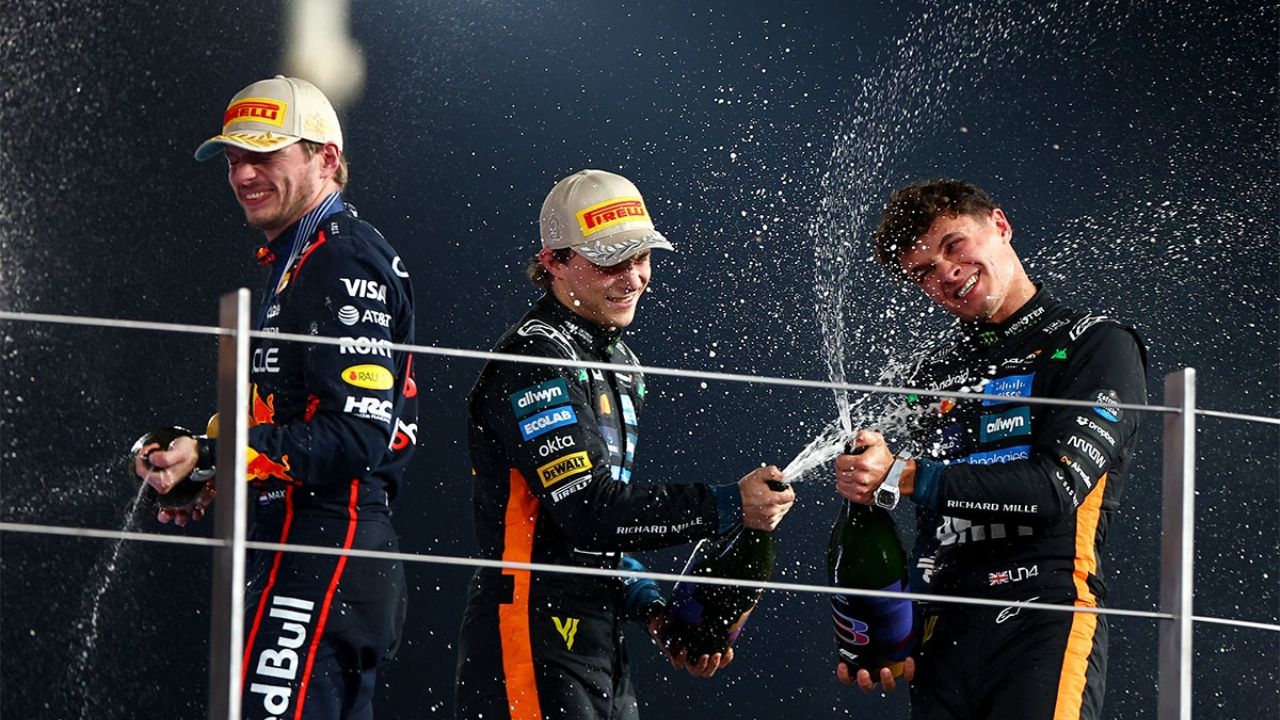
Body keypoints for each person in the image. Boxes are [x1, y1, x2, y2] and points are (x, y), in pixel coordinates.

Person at [454, 169, 796, 720]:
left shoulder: (621, 362)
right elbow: (590, 514)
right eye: (611, 261)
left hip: (598, 641)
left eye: (642, 257)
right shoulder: (535, 360)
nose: (634, 278)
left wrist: (651, 605)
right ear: (553, 261)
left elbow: (586, 541)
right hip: (526, 631)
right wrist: (729, 503)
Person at [133, 75, 418, 720]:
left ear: (327, 158)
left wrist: (217, 454)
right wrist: (207, 463)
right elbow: (294, 417)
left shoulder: (340, 258)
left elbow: (356, 437)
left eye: (264, 155)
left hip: (326, 544)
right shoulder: (300, 256)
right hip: (309, 546)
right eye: (234, 159)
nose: (243, 175)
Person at [833, 178, 1147, 719]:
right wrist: (890, 624)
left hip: (1042, 621)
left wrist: (905, 475)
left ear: (1000, 225)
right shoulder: (932, 373)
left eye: (953, 245)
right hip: (943, 637)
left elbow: (1053, 489)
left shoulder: (1095, 342)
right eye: (924, 271)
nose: (946, 273)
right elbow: (930, 525)